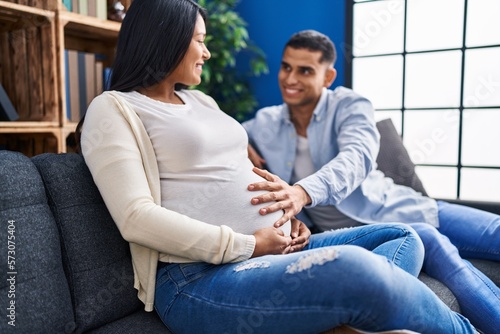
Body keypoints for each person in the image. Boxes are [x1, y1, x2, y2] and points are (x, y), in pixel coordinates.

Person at [77, 1, 477, 333]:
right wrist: (250, 243)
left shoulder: (202, 103)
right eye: (200, 41)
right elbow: (136, 217)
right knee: (357, 269)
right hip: (196, 278)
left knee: (405, 237)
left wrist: (288, 216)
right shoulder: (115, 108)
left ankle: (344, 319)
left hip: (275, 252)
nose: (207, 52)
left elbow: (231, 170)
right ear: (165, 40)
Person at [242, 29, 500, 334]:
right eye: (286, 67)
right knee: (434, 244)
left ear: (328, 77)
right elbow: (214, 132)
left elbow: (357, 159)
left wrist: (302, 192)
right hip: (367, 235)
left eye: (305, 70)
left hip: (405, 209)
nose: (290, 79)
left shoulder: (351, 105)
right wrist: (238, 139)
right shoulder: (264, 123)